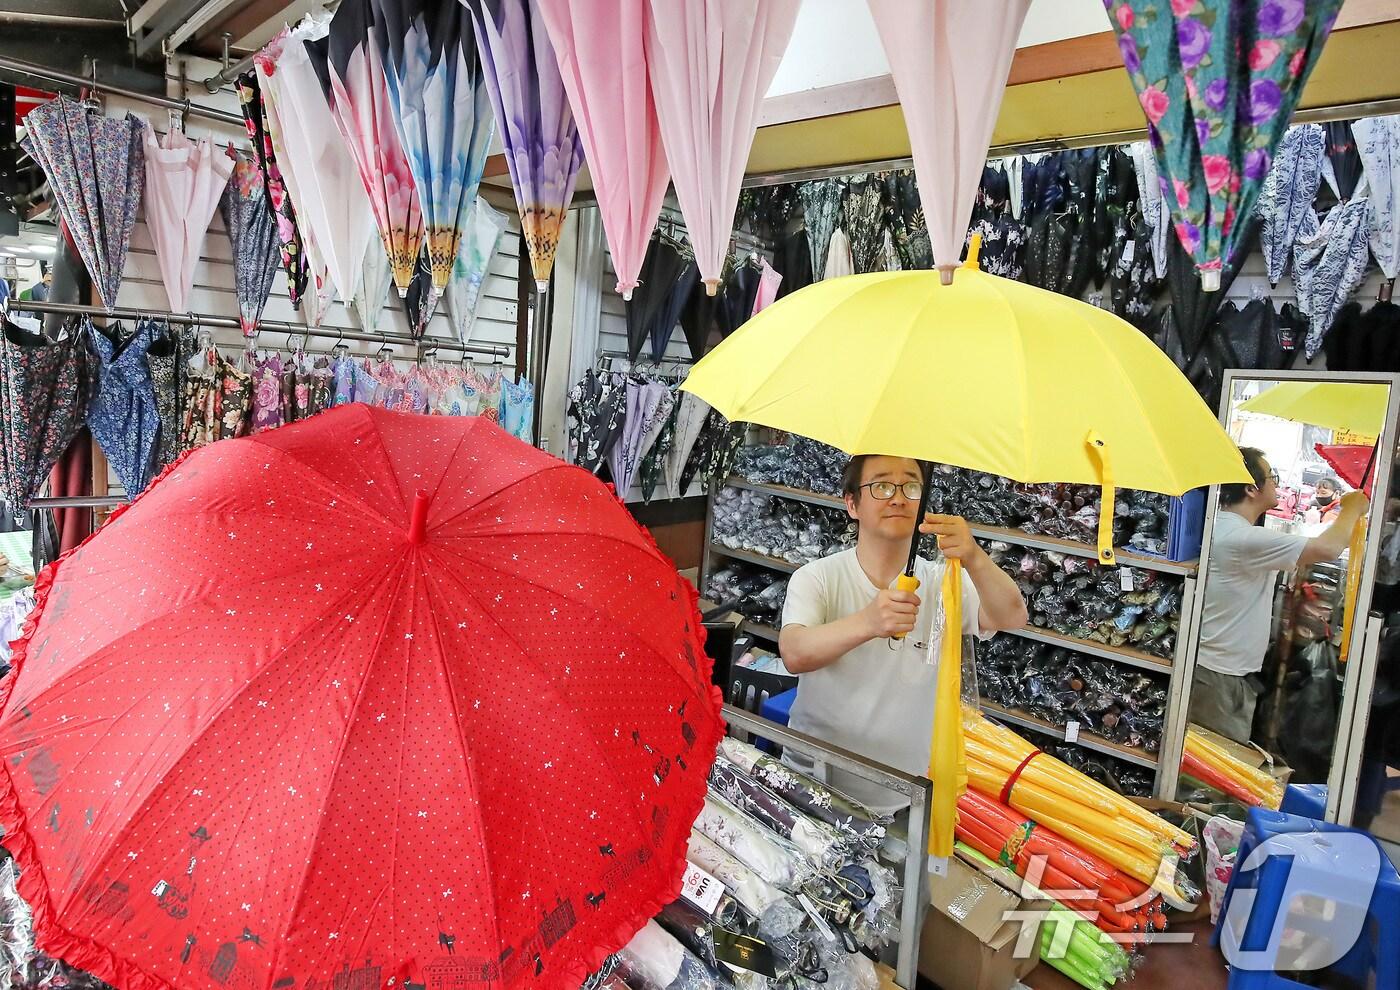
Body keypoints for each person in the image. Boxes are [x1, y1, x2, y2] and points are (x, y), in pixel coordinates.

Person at [778, 454, 1029, 812]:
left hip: (903, 793)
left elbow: (1012, 615)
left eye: (910, 486)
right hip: (812, 784)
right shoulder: (818, 577)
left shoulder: (942, 582)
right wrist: (868, 622)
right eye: (881, 486)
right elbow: (794, 653)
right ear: (852, 504)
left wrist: (975, 557)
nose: (897, 497)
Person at [1191, 447, 1369, 743]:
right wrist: (1352, 506)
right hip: (1219, 677)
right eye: (1272, 476)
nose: (1277, 483)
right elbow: (1327, 549)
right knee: (1212, 762)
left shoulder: (1225, 527)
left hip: (1219, 671)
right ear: (1251, 489)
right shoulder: (1241, 538)